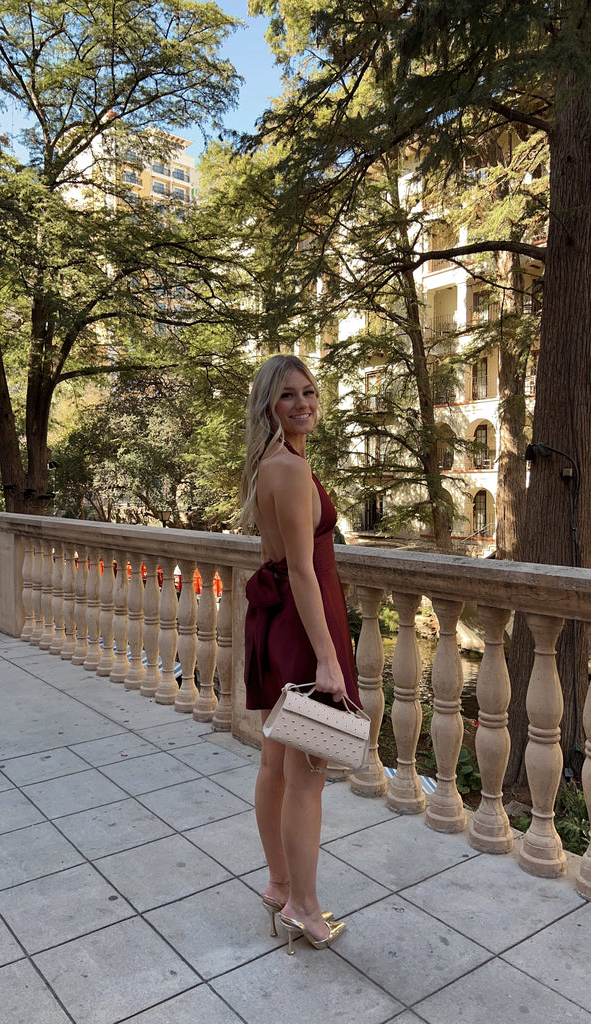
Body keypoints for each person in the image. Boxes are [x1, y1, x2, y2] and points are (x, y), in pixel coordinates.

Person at [240, 354, 361, 955]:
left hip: (280, 623)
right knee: (305, 778)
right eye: (288, 395)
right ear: (268, 404)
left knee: (276, 765)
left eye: (309, 391)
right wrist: (329, 660)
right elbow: (306, 575)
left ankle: (280, 884)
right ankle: (303, 906)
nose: (303, 403)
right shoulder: (287, 469)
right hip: (301, 626)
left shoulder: (276, 463)